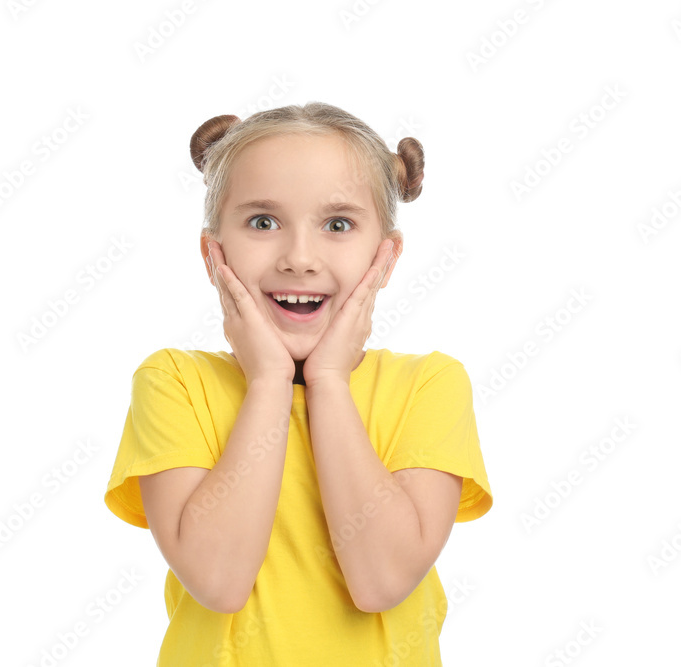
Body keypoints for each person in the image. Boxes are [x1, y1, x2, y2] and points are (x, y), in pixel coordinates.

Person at [103, 102, 493, 665]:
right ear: (214, 254)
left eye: (338, 224)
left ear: (386, 258)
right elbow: (218, 581)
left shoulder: (429, 384)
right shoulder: (174, 382)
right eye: (263, 222)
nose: (300, 258)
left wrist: (329, 381)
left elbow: (382, 581)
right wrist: (267, 381)